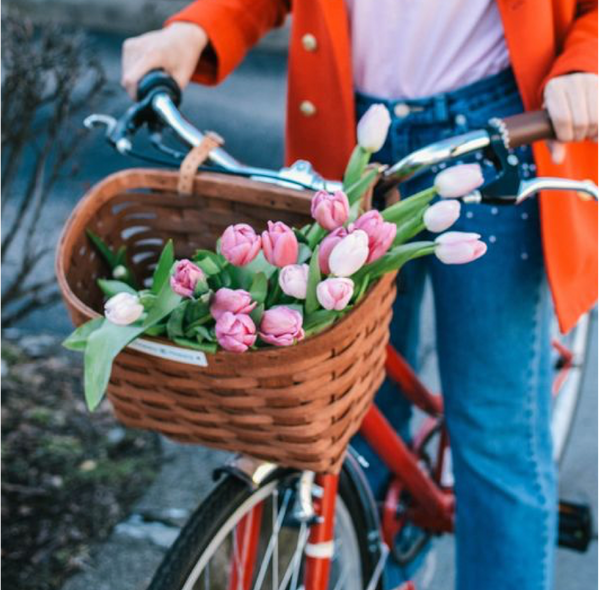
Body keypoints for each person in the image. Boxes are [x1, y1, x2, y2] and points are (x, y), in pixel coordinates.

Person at [120, 2, 600, 589]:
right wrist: (198, 30)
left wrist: (587, 63)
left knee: (494, 433)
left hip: (494, 125)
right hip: (348, 131)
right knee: (356, 415)